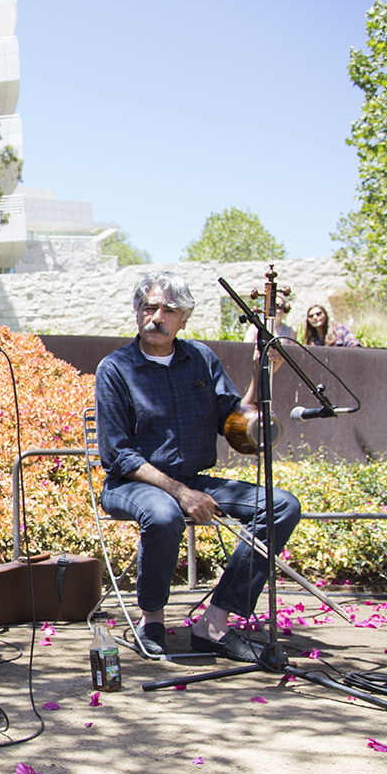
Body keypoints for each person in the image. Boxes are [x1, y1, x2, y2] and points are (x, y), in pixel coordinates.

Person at [94, 272, 302, 662]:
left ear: (184, 319)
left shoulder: (201, 359)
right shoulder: (115, 368)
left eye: (169, 310)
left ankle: (214, 622)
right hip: (131, 482)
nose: (157, 316)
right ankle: (151, 618)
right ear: (137, 312)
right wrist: (180, 492)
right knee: (163, 513)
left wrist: (265, 370)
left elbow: (235, 419)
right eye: (150, 307)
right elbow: (118, 454)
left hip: (191, 476)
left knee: (282, 505)